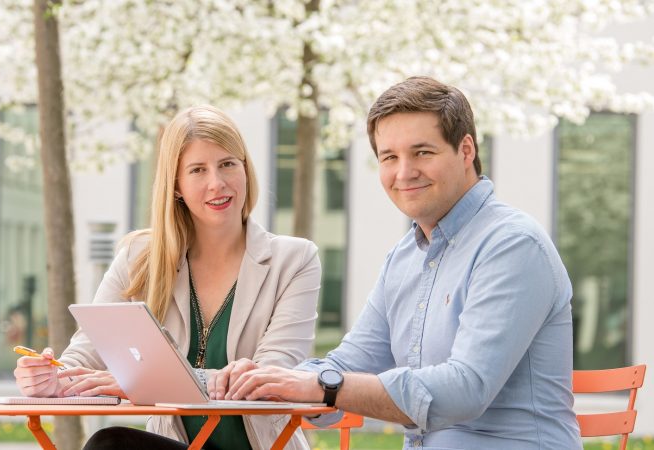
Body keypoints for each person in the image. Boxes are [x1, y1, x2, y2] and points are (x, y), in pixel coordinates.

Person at [213, 77, 583, 449]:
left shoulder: (512, 244)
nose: (403, 172)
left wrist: (321, 386)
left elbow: (467, 389)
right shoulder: (405, 257)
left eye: (422, 152)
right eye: (389, 157)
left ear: (466, 150)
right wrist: (273, 380)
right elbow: (350, 363)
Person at [13, 105, 321, 450]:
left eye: (228, 164)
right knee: (109, 444)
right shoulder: (139, 258)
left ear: (246, 170)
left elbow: (270, 380)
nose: (216, 183)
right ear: (176, 186)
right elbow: (87, 352)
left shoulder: (294, 260)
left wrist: (145, 382)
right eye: (197, 170)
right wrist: (51, 377)